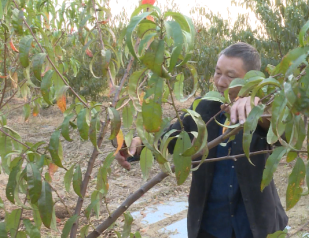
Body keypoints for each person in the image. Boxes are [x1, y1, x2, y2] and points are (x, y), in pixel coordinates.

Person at [115, 42, 288, 238]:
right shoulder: (204, 109)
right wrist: (136, 144)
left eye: (230, 76)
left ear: (251, 81)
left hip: (255, 225)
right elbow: (170, 138)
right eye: (217, 72)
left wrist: (259, 112)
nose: (221, 82)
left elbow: (282, 135)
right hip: (210, 226)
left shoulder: (263, 111)